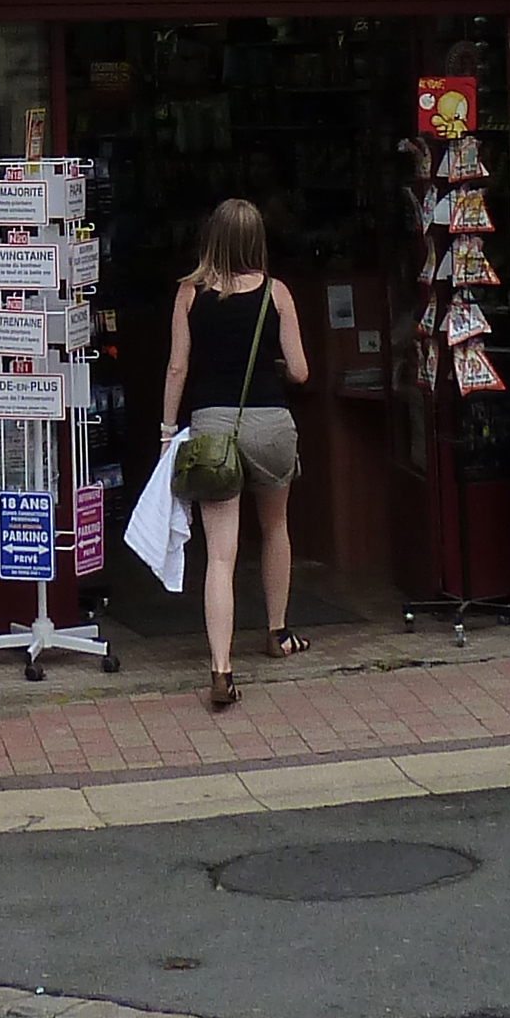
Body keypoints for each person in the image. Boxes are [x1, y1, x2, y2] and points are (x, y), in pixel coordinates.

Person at [162, 197, 311, 713]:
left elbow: (178, 368)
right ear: (257, 241)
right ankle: (277, 632)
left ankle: (221, 668)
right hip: (270, 424)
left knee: (220, 555)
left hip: (212, 430)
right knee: (275, 529)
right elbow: (300, 371)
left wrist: (166, 430)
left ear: (212, 238)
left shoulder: (188, 295)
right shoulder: (278, 293)